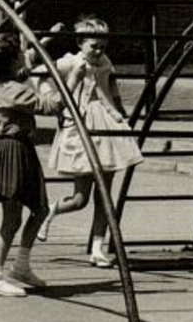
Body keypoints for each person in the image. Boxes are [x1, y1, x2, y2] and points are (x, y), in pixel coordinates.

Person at [37, 15, 143, 266]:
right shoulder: (70, 62)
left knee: (104, 195)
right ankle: (50, 211)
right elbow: (40, 72)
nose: (98, 51)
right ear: (80, 42)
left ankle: (98, 248)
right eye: (93, 46)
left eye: (103, 47)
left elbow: (112, 91)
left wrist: (121, 116)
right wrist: (54, 98)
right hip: (81, 126)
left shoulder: (105, 63)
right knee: (80, 199)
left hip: (105, 124)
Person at [0, 31, 62, 297]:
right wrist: (65, 81)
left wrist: (44, 43)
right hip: (12, 152)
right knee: (11, 219)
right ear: (12, 61)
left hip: (21, 149)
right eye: (20, 53)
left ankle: (21, 265)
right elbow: (50, 105)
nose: (25, 56)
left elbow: (28, 62)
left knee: (41, 208)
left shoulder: (10, 78)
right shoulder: (12, 91)